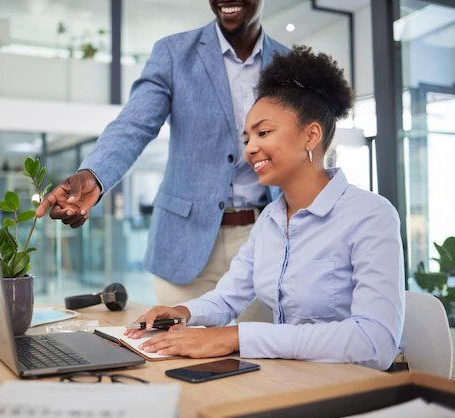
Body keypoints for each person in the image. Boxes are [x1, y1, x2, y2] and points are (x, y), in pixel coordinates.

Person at [124, 46, 405, 371]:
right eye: (247, 139)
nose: (250, 149)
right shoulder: (271, 219)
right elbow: (228, 297)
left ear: (311, 136)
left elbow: (376, 342)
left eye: (263, 133)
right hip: (289, 377)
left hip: (351, 386)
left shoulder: (370, 216)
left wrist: (237, 338)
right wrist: (184, 313)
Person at [36, 1, 289, 311]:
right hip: (184, 246)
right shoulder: (174, 53)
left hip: (263, 239)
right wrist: (94, 176)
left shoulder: (288, 63)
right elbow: (134, 125)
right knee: (178, 353)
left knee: (262, 353)